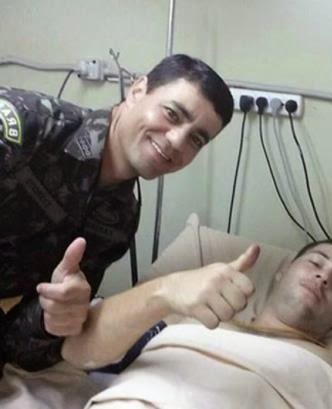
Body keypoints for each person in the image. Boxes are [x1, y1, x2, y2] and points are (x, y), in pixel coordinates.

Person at [0, 54, 234, 374]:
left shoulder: (117, 222)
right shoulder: (27, 127)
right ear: (137, 91)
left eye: (195, 139)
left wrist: (52, 319)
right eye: (172, 113)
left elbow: (19, 348)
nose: (176, 141)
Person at [62, 239, 332, 409]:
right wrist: (164, 291)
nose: (325, 276)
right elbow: (79, 353)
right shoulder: (188, 316)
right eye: (315, 262)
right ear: (281, 273)